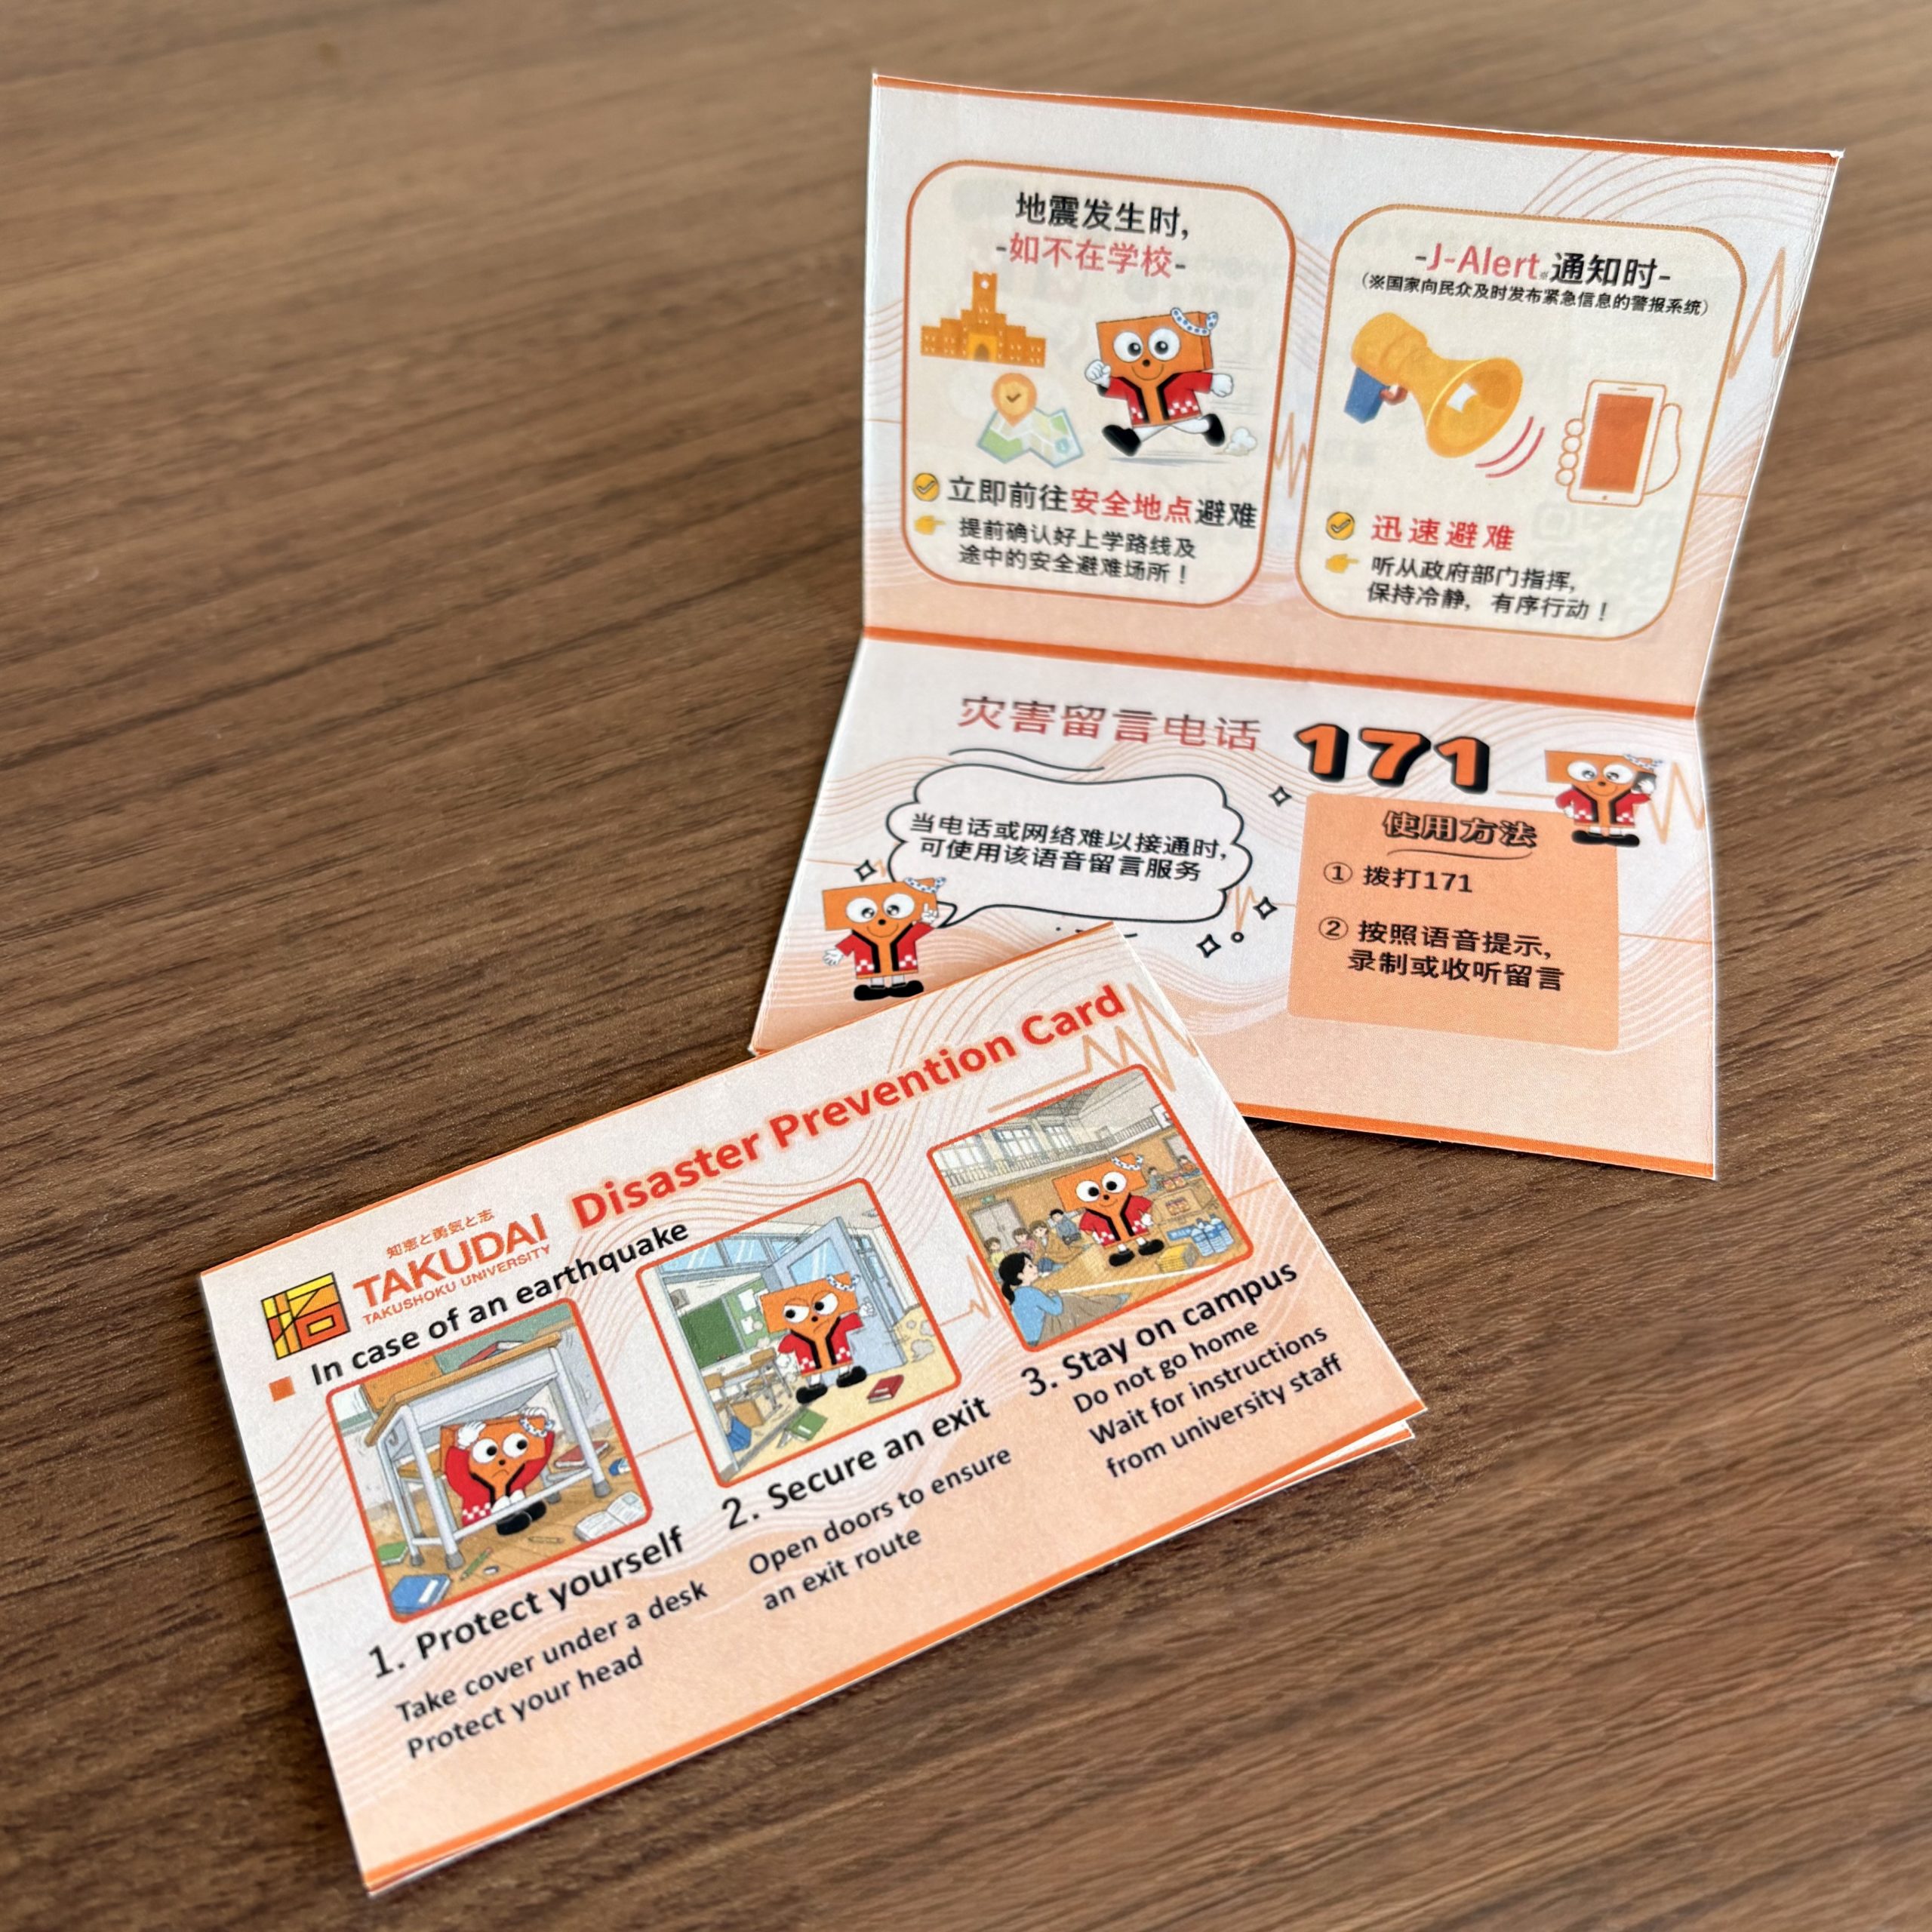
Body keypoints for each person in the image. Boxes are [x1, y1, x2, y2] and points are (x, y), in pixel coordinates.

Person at [997, 1251, 1063, 1348]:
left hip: (1027, 1340)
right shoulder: (1032, 1293)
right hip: (1041, 1338)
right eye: (1030, 1266)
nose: (1036, 1267)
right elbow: (1056, 1310)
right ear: (1020, 1275)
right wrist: (1056, 1297)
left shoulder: (1015, 1295)